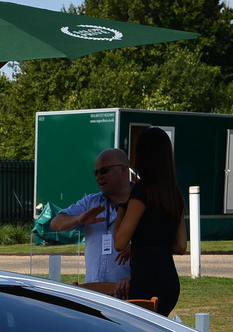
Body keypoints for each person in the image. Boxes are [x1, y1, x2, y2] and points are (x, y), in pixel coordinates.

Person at [113, 128, 187, 316]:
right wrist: (152, 244)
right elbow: (180, 246)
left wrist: (122, 208)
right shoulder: (174, 193)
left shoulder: (142, 191)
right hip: (169, 280)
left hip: (146, 280)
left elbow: (120, 242)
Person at [49, 148, 132, 296]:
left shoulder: (141, 201)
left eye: (104, 170)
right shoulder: (90, 202)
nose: (99, 177)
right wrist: (79, 219)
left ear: (124, 169)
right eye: (96, 172)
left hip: (128, 291)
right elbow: (56, 223)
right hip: (95, 293)